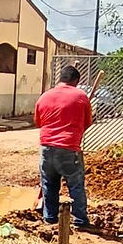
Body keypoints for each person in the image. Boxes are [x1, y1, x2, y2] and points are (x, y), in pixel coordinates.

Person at [34, 64, 94, 230]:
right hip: (69, 149)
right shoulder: (81, 96)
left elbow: (38, 122)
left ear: (60, 79)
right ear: (76, 81)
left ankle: (50, 219)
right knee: (75, 186)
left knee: (49, 185)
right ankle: (80, 222)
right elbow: (87, 122)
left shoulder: (44, 96)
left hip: (46, 148)